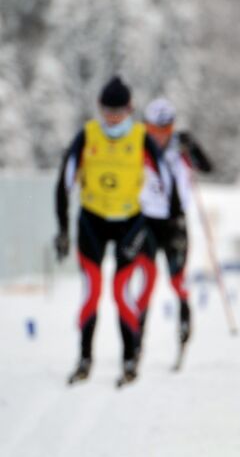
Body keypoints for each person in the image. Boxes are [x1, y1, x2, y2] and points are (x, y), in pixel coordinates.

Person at [54, 76, 163, 387]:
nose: (112, 119)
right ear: (99, 110)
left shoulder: (142, 139)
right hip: (93, 221)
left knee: (120, 290)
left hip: (130, 222)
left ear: (130, 110)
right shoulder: (88, 136)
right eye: (107, 112)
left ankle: (130, 358)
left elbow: (163, 187)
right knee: (92, 292)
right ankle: (84, 359)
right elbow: (63, 184)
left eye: (118, 113)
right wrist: (62, 228)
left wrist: (154, 228)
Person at [137, 98, 199, 352]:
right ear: (147, 127)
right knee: (147, 282)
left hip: (175, 223)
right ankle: (136, 339)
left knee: (177, 281)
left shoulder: (180, 146)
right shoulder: (138, 147)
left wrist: (191, 147)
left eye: (167, 128)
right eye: (156, 129)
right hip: (147, 222)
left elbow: (207, 166)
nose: (161, 134)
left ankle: (184, 327)